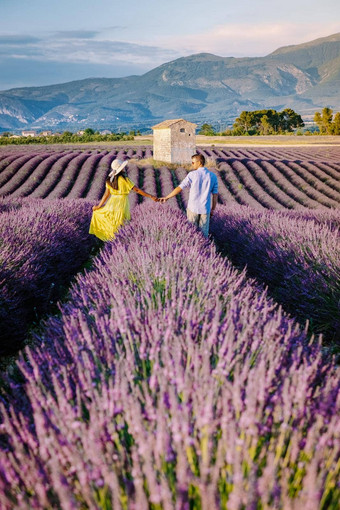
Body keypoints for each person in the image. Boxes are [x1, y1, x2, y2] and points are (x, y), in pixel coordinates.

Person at [89, 158, 158, 241]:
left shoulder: (109, 179)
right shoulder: (124, 179)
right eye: (123, 167)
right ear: (120, 169)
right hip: (121, 203)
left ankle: (111, 241)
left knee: (112, 222)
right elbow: (137, 190)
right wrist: (151, 196)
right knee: (121, 223)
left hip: (112, 203)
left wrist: (98, 206)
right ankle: (118, 242)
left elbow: (106, 194)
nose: (124, 168)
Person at [160, 153, 218, 237]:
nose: (192, 164)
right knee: (204, 235)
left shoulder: (192, 175)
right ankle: (203, 248)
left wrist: (167, 197)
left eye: (193, 162)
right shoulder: (213, 176)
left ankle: (194, 249)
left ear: (199, 162)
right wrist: (212, 209)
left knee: (192, 233)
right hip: (205, 209)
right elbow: (215, 195)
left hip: (193, 208)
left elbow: (180, 188)